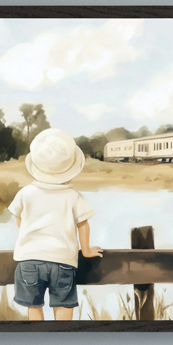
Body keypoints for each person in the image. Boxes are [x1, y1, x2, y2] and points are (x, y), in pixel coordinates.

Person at [8, 129, 102, 321]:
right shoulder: (73, 196)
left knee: (34, 307)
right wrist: (86, 250)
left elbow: (19, 218)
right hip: (62, 261)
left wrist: (29, 235)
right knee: (63, 305)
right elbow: (83, 225)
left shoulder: (25, 193)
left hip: (29, 261)